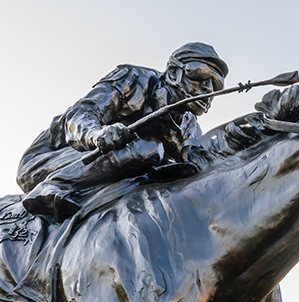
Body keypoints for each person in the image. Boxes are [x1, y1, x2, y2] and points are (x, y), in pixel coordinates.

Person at [16, 42, 229, 222]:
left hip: (116, 173)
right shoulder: (133, 79)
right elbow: (79, 115)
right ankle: (55, 186)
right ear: (174, 73)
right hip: (50, 159)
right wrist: (97, 135)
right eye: (200, 76)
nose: (208, 89)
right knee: (148, 148)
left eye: (216, 85)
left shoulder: (190, 126)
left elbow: (198, 166)